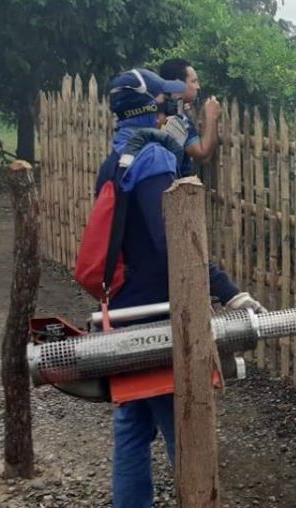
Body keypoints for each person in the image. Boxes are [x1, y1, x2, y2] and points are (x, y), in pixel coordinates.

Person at [97, 67, 262, 508]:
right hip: (157, 315)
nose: (175, 102)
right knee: (184, 421)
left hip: (126, 305)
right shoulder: (152, 157)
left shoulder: (118, 155)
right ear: (153, 105)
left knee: (132, 426)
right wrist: (228, 290)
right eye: (167, 97)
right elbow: (174, 241)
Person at [158, 58, 220, 167]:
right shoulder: (172, 117)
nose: (198, 87)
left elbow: (206, 157)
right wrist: (210, 116)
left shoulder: (171, 109)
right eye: (194, 81)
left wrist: (211, 121)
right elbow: (202, 153)